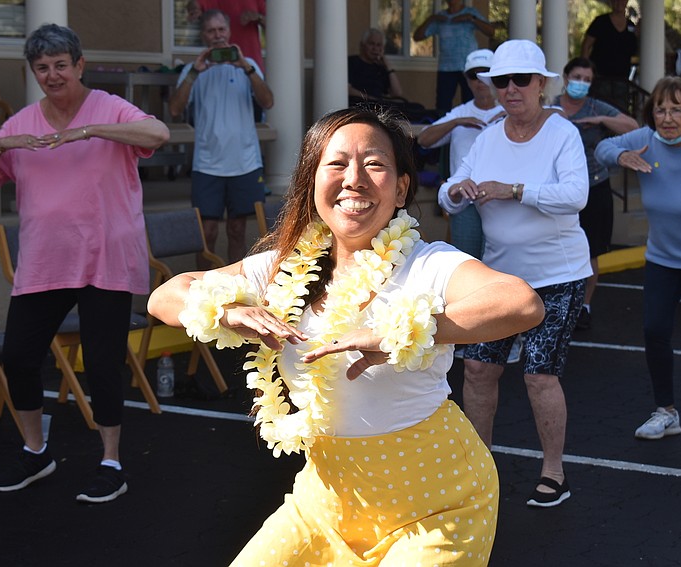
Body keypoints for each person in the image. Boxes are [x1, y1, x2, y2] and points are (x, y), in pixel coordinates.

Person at [147, 107, 544, 564]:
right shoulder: (279, 268)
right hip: (326, 504)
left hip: (438, 505)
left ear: (401, 189)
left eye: (374, 164)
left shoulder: (427, 263)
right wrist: (227, 311)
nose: (354, 179)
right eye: (336, 164)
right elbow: (165, 296)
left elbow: (520, 302)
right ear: (311, 182)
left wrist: (402, 333)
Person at [0, 24, 170, 502]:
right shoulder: (21, 122)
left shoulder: (108, 109)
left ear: (79, 65)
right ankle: (36, 452)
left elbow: (157, 133)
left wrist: (89, 130)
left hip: (105, 258)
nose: (53, 75)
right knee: (18, 357)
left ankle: (111, 461)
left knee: (101, 363)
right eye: (43, 68)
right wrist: (0, 145)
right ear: (34, 73)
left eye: (61, 65)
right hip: (44, 262)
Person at [439, 39, 591, 508]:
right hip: (500, 279)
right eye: (500, 81)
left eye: (519, 80)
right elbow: (447, 193)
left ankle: (554, 474)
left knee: (538, 375)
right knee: (478, 368)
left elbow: (576, 196)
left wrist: (516, 189)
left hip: (557, 274)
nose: (509, 89)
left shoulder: (562, 132)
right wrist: (457, 190)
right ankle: (480, 467)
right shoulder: (486, 137)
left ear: (541, 84)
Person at [595, 76, 681, 451]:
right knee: (655, 330)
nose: (668, 117)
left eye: (677, 108)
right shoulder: (644, 139)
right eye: (661, 108)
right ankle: (667, 412)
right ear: (652, 112)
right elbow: (603, 148)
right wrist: (621, 156)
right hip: (663, 255)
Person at [169, 9, 273, 268]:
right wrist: (195, 71)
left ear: (229, 32)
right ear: (203, 35)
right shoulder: (193, 70)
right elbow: (174, 109)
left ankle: (234, 290)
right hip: (207, 164)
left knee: (237, 230)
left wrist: (246, 67)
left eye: (221, 30)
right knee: (207, 234)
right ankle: (203, 293)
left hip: (245, 163)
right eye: (211, 31)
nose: (217, 36)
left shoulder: (248, 65)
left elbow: (268, 101)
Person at [552, 57, 638, 330]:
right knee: (556, 249)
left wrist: (601, 119)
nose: (581, 84)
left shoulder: (595, 106)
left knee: (591, 251)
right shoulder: (550, 106)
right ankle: (553, 306)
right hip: (557, 189)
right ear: (566, 78)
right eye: (577, 77)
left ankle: (584, 306)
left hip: (594, 186)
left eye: (587, 80)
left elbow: (633, 127)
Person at [421, 48, 503, 260]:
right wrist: (457, 122)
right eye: (473, 75)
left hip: (501, 197)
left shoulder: (510, 112)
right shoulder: (460, 112)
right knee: (468, 261)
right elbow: (424, 140)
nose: (480, 80)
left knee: (498, 263)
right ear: (466, 80)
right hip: (464, 199)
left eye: (486, 73)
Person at [413, 0, 496, 112]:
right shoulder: (441, 17)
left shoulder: (470, 12)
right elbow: (417, 37)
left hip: (467, 68)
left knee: (471, 100)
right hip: (446, 67)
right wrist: (431, 18)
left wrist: (471, 18)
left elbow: (491, 31)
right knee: (443, 104)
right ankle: (444, 127)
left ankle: (473, 126)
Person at [347, 28, 430, 123]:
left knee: (418, 107)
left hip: (381, 105)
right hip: (360, 104)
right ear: (362, 45)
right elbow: (348, 89)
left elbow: (397, 93)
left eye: (379, 45)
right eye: (371, 44)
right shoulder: (352, 62)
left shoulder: (380, 67)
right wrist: (369, 98)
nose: (375, 48)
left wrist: (388, 66)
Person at [581, 0, 638, 112]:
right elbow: (586, 46)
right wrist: (585, 69)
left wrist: (638, 35)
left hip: (622, 79)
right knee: (600, 109)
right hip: (600, 77)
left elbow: (634, 51)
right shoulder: (600, 22)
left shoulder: (632, 26)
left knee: (621, 111)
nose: (619, 3)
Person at [198, 0, 265, 71]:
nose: (218, 35)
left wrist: (259, 17)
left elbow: (275, 27)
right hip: (214, 65)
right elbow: (194, 5)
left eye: (221, 29)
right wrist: (194, 8)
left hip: (250, 63)